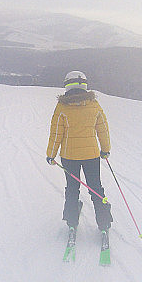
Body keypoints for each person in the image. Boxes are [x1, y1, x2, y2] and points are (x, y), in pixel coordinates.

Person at [46, 71, 113, 232]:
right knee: (96, 188)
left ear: (67, 85)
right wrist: (105, 150)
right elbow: (103, 130)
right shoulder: (94, 105)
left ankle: (71, 221)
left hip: (69, 157)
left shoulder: (62, 107)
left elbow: (56, 134)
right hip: (92, 156)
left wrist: (51, 155)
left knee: (72, 188)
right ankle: (104, 223)